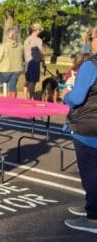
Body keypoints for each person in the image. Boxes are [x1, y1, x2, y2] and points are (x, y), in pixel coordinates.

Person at [63, 27, 97, 234]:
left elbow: (77, 98)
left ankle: (93, 218)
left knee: (91, 174)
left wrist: (66, 94)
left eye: (90, 37)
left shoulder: (91, 65)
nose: (90, 41)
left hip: (88, 127)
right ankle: (90, 207)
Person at [0, 28, 24, 98]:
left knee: (4, 87)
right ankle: (13, 103)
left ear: (7, 35)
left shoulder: (3, 46)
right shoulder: (21, 46)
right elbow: (23, 57)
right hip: (17, 69)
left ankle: (5, 104)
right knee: (13, 87)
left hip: (5, 69)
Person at [23, 23, 45, 100]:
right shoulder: (38, 40)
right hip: (35, 62)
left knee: (27, 80)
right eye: (40, 30)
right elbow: (41, 53)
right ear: (38, 30)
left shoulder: (27, 39)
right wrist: (43, 62)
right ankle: (30, 98)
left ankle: (25, 97)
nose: (40, 31)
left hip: (27, 62)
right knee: (33, 81)